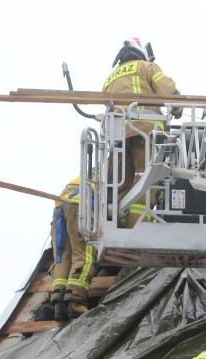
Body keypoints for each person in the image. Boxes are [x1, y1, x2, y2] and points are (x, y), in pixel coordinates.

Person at [102, 37, 182, 228]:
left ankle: (115, 225)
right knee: (145, 183)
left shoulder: (110, 77)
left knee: (120, 186)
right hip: (146, 133)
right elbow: (167, 91)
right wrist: (178, 110)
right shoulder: (147, 67)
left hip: (119, 137)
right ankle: (136, 227)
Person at [49, 175, 98, 320]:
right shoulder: (116, 175)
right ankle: (75, 301)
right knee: (85, 253)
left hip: (60, 206)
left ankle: (59, 304)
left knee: (62, 257)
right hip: (80, 205)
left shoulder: (90, 173)